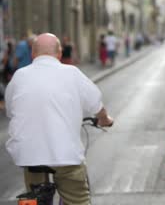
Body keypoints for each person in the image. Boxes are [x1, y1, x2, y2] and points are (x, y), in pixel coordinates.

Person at [5, 33, 114, 205]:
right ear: (60, 53)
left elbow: (11, 111)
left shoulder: (19, 76)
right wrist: (105, 119)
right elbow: (96, 105)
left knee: (34, 197)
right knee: (78, 200)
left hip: (30, 156)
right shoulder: (72, 73)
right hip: (66, 157)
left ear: (33, 54)